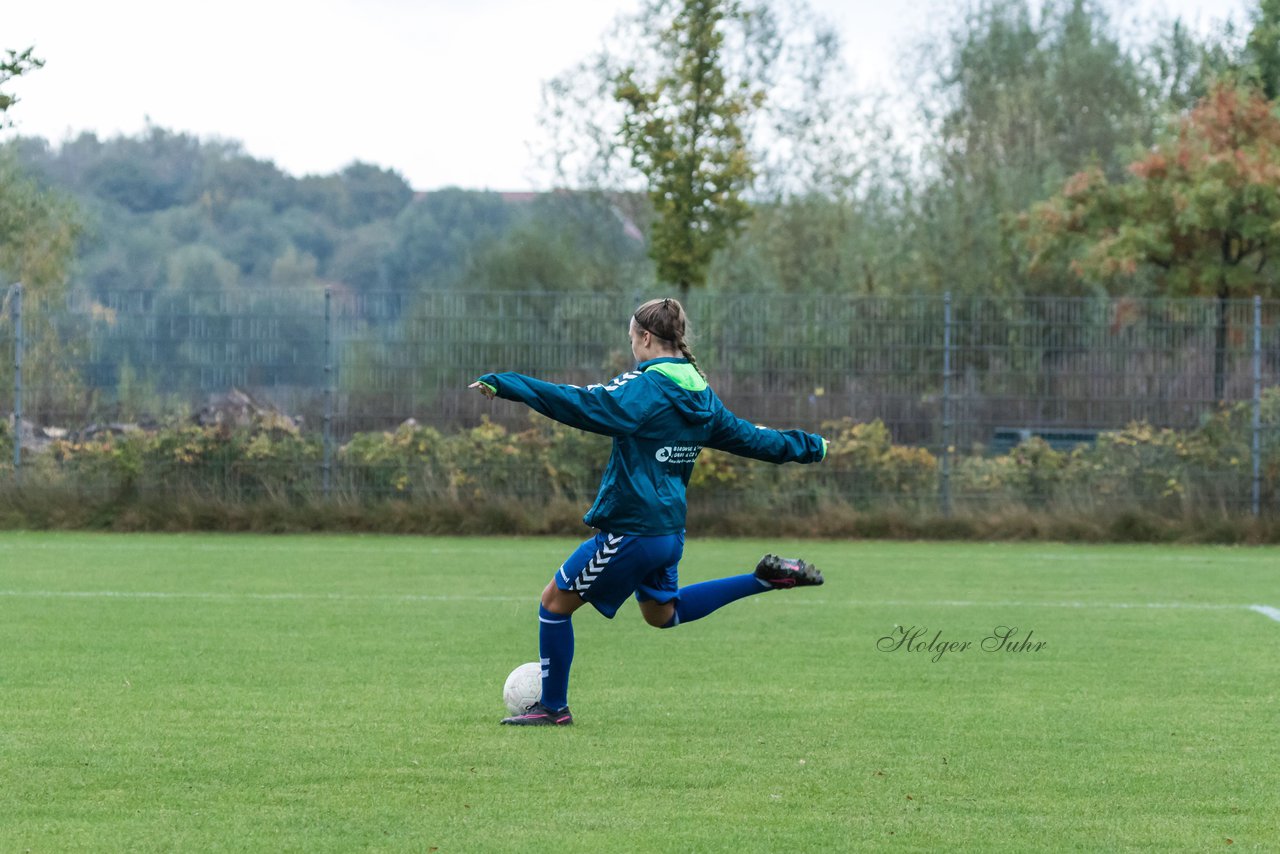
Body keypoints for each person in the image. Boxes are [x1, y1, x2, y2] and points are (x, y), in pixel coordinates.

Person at [469, 297, 827, 726]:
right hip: (667, 533)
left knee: (553, 604)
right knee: (663, 614)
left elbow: (579, 402)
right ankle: (763, 579)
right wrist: (812, 446)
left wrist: (509, 384)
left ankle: (553, 708)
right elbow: (754, 439)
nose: (631, 350)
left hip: (632, 531)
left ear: (645, 337)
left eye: (631, 340)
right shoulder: (702, 393)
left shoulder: (646, 388)